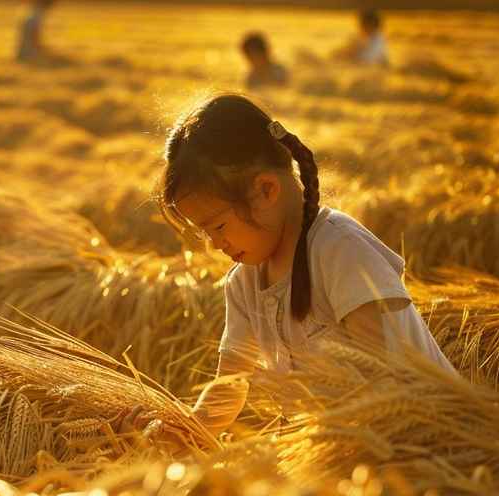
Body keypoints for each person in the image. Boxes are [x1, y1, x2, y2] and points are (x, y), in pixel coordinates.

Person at [157, 93, 455, 434]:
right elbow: (229, 385)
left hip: (431, 440)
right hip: (347, 449)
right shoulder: (243, 284)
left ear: (266, 190)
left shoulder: (341, 250)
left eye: (218, 226)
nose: (213, 244)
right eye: (203, 233)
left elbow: (382, 377)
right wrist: (187, 431)